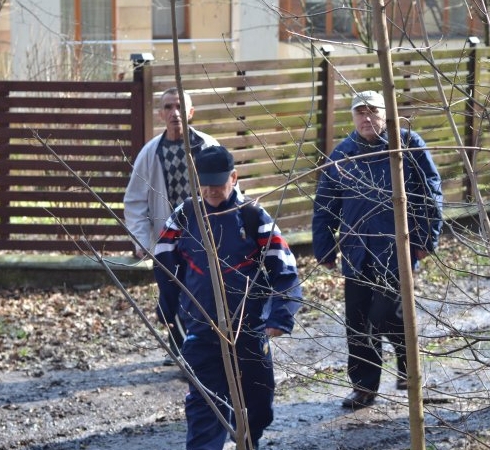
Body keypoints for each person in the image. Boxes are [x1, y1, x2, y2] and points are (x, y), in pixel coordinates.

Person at [153, 145, 302, 450]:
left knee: (257, 401)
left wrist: (280, 315)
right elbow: (163, 260)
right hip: (201, 326)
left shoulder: (252, 216)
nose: (211, 192)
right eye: (204, 186)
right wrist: (170, 310)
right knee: (204, 403)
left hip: (248, 327)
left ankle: (248, 440)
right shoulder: (186, 215)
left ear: (234, 178)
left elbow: (284, 267)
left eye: (218, 185)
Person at [311, 90, 444, 409]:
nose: (367, 118)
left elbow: (431, 192)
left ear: (386, 114)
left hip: (397, 250)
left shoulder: (408, 145)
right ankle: (364, 387)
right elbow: (325, 207)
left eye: (373, 111)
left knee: (387, 316)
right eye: (361, 112)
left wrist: (427, 239)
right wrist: (325, 249)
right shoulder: (342, 155)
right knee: (357, 322)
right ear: (353, 117)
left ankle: (409, 375)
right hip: (357, 253)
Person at [123, 87, 219, 367]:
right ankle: (179, 349)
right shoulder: (151, 152)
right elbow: (135, 199)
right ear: (160, 114)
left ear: (191, 112)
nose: (174, 113)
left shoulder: (208, 147)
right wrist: (142, 241)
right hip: (167, 239)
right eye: (168, 107)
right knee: (170, 294)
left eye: (179, 106)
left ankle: (202, 349)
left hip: (203, 237)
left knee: (202, 291)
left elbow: (228, 187)